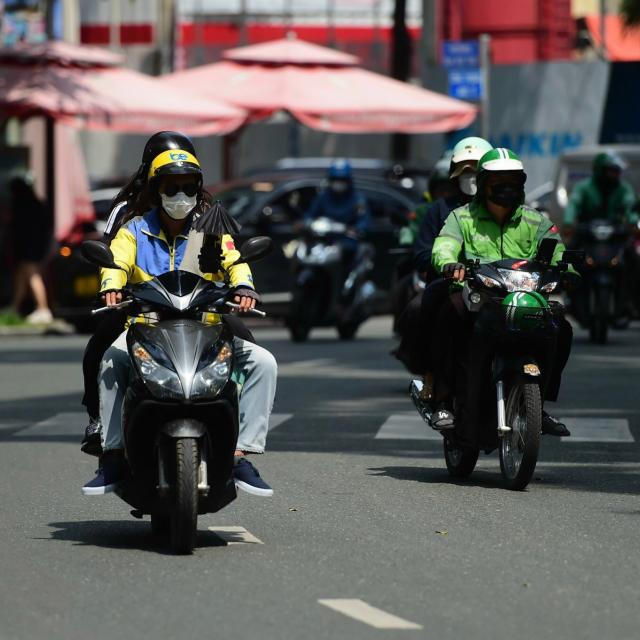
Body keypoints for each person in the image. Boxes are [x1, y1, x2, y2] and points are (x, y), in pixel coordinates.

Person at [82, 141, 277, 497]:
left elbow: (235, 262)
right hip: (144, 328)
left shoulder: (209, 231)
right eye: (172, 187)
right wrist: (111, 287)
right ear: (156, 189)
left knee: (264, 362)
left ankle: (239, 454)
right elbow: (117, 262)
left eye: (189, 186)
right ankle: (111, 455)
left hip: (206, 325)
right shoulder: (134, 229)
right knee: (110, 360)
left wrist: (245, 288)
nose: (181, 194)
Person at [429, 148, 573, 440]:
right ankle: (443, 402)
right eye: (499, 181)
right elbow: (444, 246)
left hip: (526, 301)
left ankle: (539, 404)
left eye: (513, 181)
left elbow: (558, 251)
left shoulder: (537, 221)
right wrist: (449, 264)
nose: (507, 188)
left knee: (563, 328)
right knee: (449, 315)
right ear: (483, 184)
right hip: (478, 299)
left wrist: (568, 270)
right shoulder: (462, 217)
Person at [392, 137, 493, 377]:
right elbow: (423, 253)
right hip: (452, 284)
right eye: (464, 168)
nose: (470, 174)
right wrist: (449, 266)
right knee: (417, 310)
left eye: (476, 168)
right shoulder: (439, 210)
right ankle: (431, 374)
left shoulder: (504, 209)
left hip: (498, 284)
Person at [563, 151, 638, 323]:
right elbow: (573, 204)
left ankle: (631, 302)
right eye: (611, 170)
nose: (615, 174)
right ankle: (570, 297)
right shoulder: (584, 187)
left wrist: (632, 223)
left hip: (615, 237)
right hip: (587, 236)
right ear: (599, 170)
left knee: (633, 260)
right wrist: (568, 223)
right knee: (567, 257)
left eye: (617, 171)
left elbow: (630, 206)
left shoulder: (623, 188)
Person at [305, 159, 371, 268]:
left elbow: (363, 222)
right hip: (323, 242)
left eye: (342, 180)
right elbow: (309, 216)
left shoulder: (358, 199)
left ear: (348, 180)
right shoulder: (323, 197)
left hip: (347, 244)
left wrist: (354, 229)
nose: (338, 183)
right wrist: (307, 224)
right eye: (335, 179)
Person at [8, 176, 53, 324]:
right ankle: (14, 308)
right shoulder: (36, 203)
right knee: (22, 276)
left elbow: (18, 228)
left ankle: (43, 309)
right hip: (36, 245)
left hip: (29, 247)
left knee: (33, 276)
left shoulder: (22, 205)